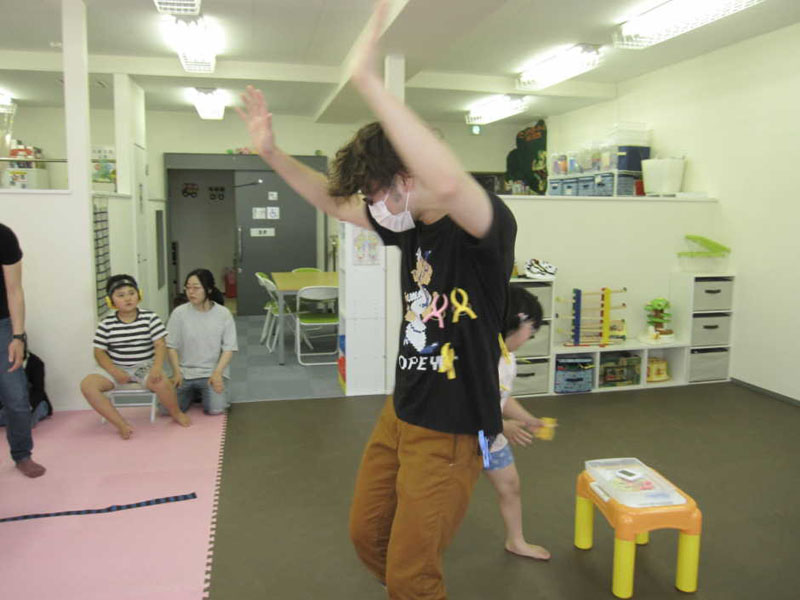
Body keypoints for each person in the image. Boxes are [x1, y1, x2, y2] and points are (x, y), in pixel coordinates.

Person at [236, 1, 516, 596]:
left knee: (412, 576)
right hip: (401, 412)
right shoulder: (408, 227)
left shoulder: (481, 227)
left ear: (406, 178)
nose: (370, 205)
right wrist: (271, 154)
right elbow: (331, 202)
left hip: (452, 428)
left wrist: (368, 80)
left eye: (376, 191)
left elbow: (448, 182)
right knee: (368, 538)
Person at [80, 274, 191, 439]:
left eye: (131, 293)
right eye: (121, 295)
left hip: (143, 367)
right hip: (116, 367)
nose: (128, 298)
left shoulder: (150, 318)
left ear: (139, 295)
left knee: (162, 382)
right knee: (88, 385)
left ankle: (176, 413)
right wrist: (114, 371)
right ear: (111, 301)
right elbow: (99, 352)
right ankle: (120, 424)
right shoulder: (106, 324)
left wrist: (156, 368)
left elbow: (160, 344)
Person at [486, 285, 551, 560]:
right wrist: (502, 425)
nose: (531, 336)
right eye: (531, 329)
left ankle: (516, 541)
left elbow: (502, 396)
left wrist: (527, 419)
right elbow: (467, 404)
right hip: (462, 437)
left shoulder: (508, 358)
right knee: (446, 496)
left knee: (510, 484)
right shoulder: (481, 356)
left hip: (489, 437)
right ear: (517, 320)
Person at [0, 222, 46, 477]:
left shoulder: (3, 236)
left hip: (2, 326)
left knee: (16, 398)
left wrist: (18, 336)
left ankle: (21, 454)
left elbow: (14, 290)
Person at [166, 269, 237, 415]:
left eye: (196, 288)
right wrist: (176, 372)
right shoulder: (179, 313)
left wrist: (218, 373)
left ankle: (202, 392)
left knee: (215, 409)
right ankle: (195, 393)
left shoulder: (223, 314)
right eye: (188, 287)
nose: (191, 292)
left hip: (211, 372)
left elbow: (229, 348)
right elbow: (171, 346)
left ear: (208, 289)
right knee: (166, 409)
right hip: (185, 373)